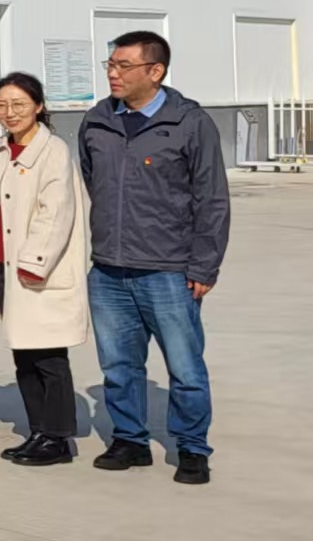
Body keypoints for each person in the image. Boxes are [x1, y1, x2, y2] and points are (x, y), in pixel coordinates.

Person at [78, 31, 230, 485]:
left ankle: (192, 448)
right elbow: (93, 182)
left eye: (123, 65)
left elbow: (212, 200)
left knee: (185, 368)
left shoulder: (189, 122)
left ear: (155, 71)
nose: (113, 72)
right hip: (109, 270)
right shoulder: (97, 120)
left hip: (169, 271)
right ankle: (130, 440)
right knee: (118, 366)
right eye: (110, 64)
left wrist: (204, 266)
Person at [0, 73, 93, 468]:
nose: (10, 112)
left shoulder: (52, 150)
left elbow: (56, 212)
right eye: (2, 105)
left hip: (37, 271)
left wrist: (35, 262)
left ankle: (57, 437)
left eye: (19, 104)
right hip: (4, 266)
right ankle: (39, 431)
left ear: (38, 106)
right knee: (23, 352)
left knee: (48, 356)